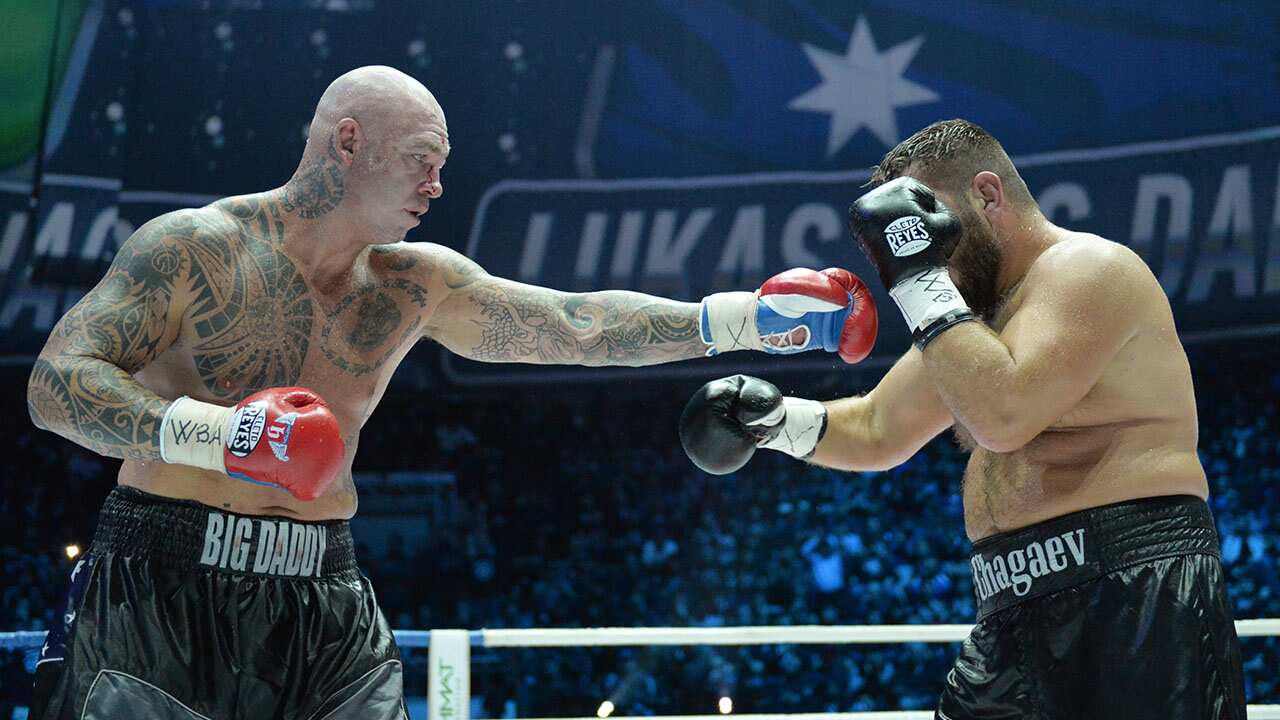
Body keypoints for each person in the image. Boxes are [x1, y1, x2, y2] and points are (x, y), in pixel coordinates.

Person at [24, 65, 877, 719]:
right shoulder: (193, 248)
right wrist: (221, 436)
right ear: (348, 143)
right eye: (420, 162)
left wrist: (745, 320)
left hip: (322, 590)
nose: (435, 185)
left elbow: (574, 326)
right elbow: (57, 384)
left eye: (440, 166)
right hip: (165, 581)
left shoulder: (413, 283)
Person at [680, 119, 1246, 719]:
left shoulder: (1088, 268)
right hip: (1007, 609)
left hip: (1135, 597)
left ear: (987, 194)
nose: (918, 245)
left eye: (924, 220)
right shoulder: (972, 323)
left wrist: (917, 279)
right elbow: (876, 427)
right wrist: (772, 422)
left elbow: (1005, 416)